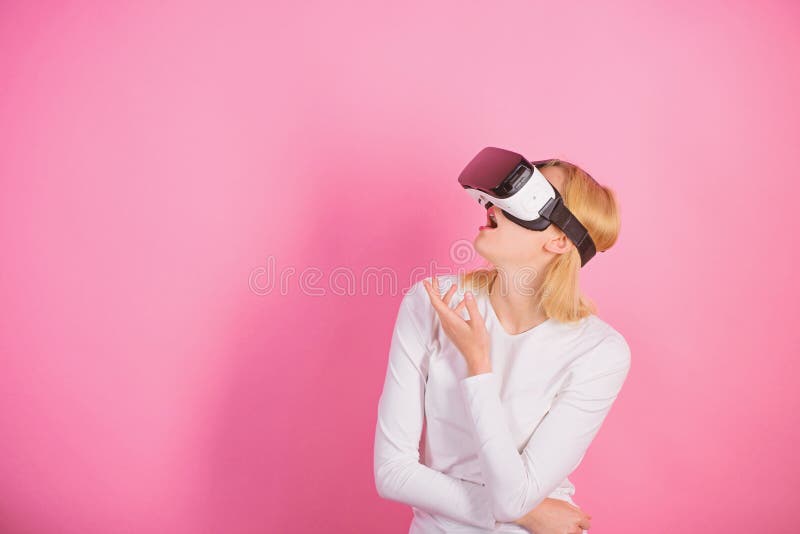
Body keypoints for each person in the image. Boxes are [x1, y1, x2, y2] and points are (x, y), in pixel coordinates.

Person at [373, 158, 632, 533]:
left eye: (526, 198)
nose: (492, 206)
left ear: (559, 239)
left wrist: (478, 365)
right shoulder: (432, 302)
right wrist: (534, 514)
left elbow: (512, 498)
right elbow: (391, 472)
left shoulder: (599, 352)